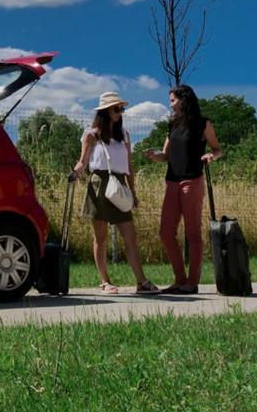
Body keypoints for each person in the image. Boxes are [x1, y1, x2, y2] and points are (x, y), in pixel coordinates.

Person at [73, 92, 162, 295]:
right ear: (105, 111)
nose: (120, 112)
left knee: (130, 236)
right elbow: (83, 161)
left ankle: (141, 281)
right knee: (101, 237)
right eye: (116, 109)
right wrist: (75, 172)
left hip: (119, 185)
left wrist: (133, 192)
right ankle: (105, 281)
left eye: (121, 109)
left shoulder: (125, 136)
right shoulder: (91, 134)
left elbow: (129, 166)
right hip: (99, 185)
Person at [145, 84, 222, 294]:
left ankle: (192, 282)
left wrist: (210, 156)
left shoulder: (202, 123)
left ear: (184, 99)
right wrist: (155, 156)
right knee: (166, 232)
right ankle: (179, 279)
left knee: (192, 233)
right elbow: (165, 155)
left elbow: (217, 149)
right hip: (172, 181)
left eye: (172, 100)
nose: (170, 104)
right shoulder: (172, 124)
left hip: (192, 180)